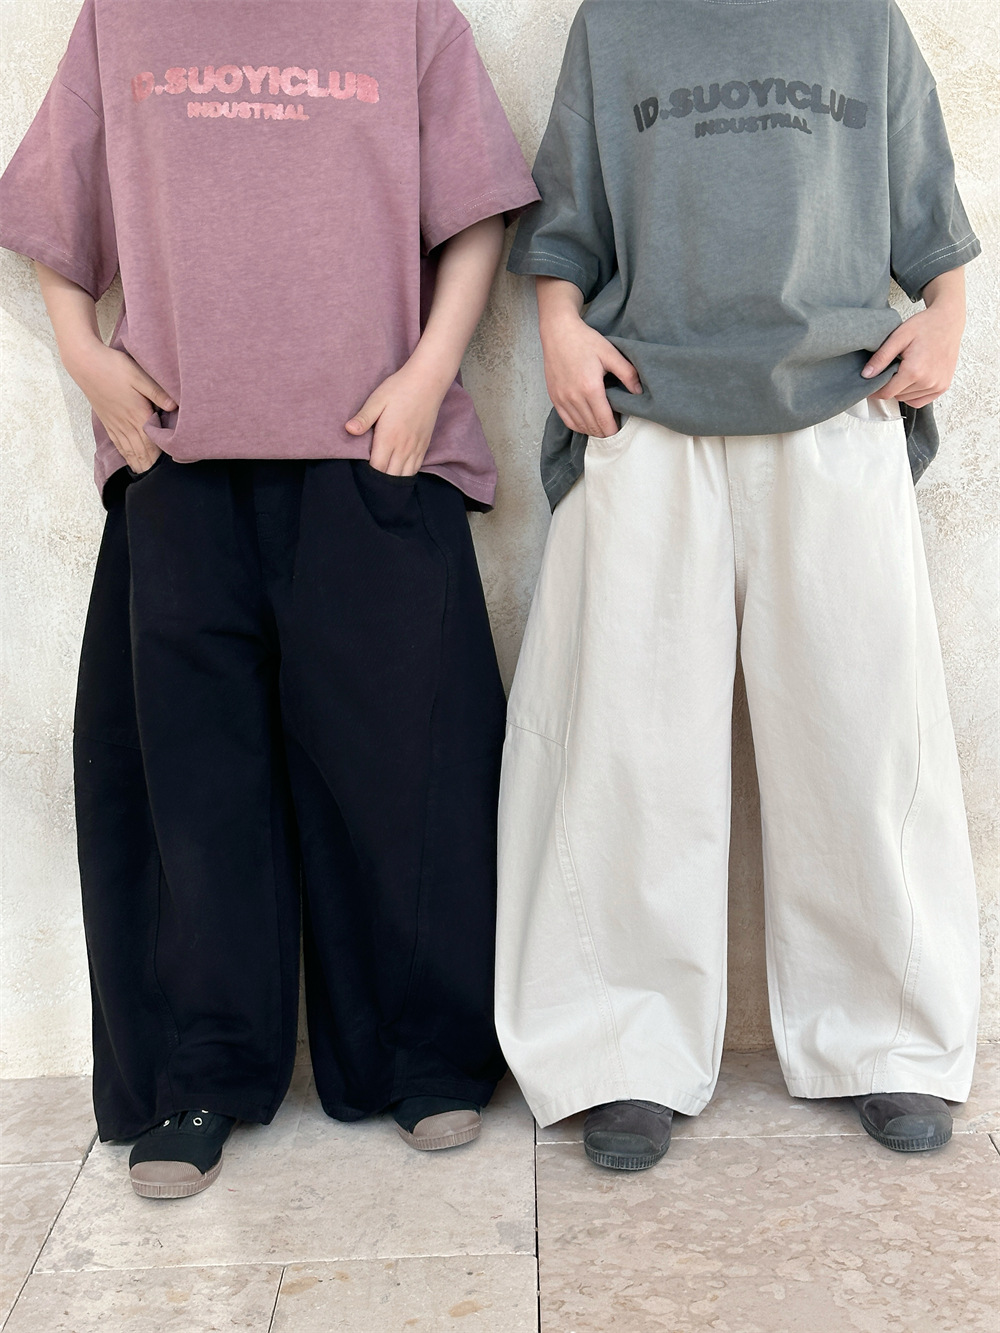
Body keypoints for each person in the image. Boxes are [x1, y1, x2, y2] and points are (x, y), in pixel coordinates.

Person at [0, 0, 538, 1198]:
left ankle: (422, 1056)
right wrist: (87, 360)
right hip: (181, 464)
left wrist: (429, 374)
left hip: (375, 455)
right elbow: (53, 215)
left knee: (409, 777)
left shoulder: (405, 15)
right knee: (192, 793)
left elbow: (478, 214)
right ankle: (197, 1071)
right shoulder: (122, 19)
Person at [496, 0, 981, 1170]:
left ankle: (888, 1038)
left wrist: (949, 322)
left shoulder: (861, 21)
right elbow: (565, 219)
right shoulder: (615, 24)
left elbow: (930, 218)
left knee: (863, 734)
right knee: (626, 747)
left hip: (838, 403)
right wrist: (558, 328)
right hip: (645, 408)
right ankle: (619, 1049)